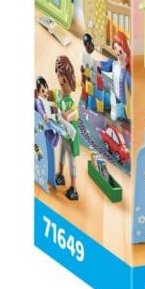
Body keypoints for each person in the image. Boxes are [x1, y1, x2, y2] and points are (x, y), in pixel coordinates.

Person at [53, 56, 81, 200]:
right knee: (61, 154)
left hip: (70, 138)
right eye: (59, 76)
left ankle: (74, 187)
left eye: (63, 79)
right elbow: (53, 97)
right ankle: (60, 174)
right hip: (63, 134)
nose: (60, 81)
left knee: (72, 160)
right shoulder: (60, 96)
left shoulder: (70, 103)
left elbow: (75, 113)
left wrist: (67, 115)